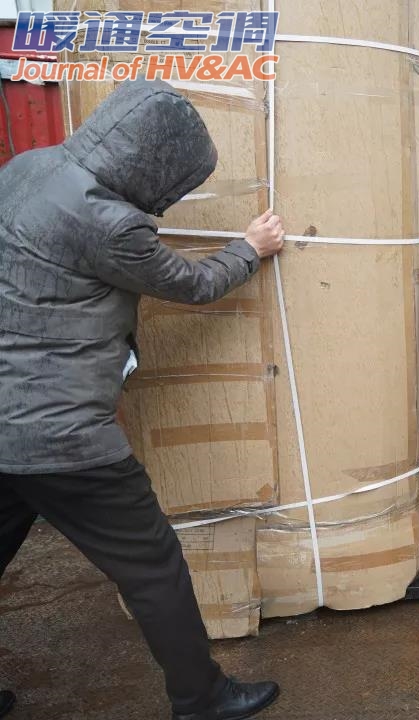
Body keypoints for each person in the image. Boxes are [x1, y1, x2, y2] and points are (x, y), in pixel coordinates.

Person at [0, 80, 283, 720]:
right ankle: (203, 698)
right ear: (153, 164)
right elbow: (192, 283)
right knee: (153, 567)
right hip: (61, 436)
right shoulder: (108, 222)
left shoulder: (27, 167)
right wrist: (249, 249)